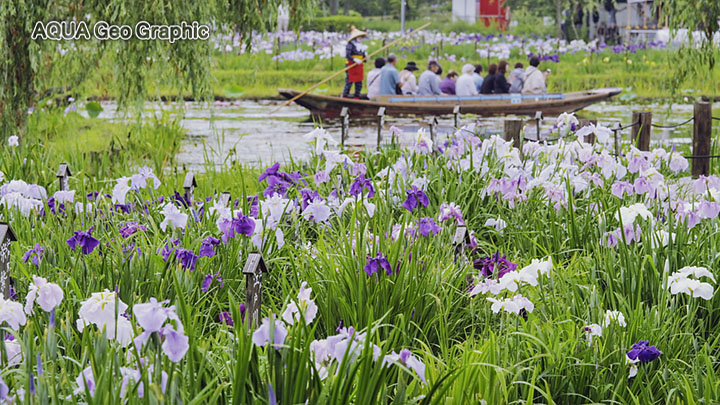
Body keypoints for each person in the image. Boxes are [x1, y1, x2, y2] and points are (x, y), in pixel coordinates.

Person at [342, 26, 367, 98]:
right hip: (351, 65)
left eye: (361, 37)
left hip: (359, 65)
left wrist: (365, 58)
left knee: (359, 82)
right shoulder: (350, 45)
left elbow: (363, 56)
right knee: (349, 81)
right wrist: (354, 59)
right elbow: (348, 55)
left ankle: (357, 96)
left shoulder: (361, 46)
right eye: (359, 37)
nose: (361, 39)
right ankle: (345, 96)